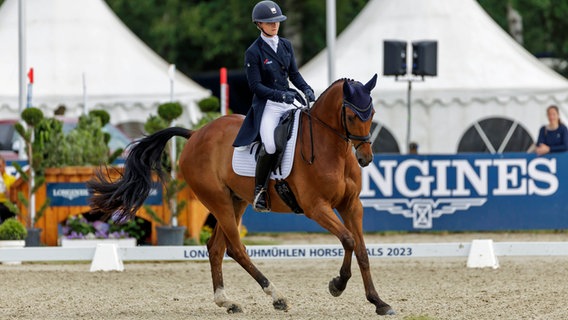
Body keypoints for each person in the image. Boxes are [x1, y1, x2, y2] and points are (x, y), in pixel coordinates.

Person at [233, 1, 315, 212]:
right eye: (269, 23)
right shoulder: (254, 52)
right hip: (268, 105)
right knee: (270, 145)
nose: (274, 25)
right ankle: (260, 190)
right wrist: (280, 95)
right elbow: (256, 86)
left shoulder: (286, 45)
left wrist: (305, 88)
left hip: (289, 101)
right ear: (259, 24)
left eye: (277, 21)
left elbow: (294, 74)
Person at [0, 156, 17, 223]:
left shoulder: (11, 179)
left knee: (8, 208)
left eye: (0, 166)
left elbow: (12, 197)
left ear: (4, 165)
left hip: (7, 204)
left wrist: (3, 185)